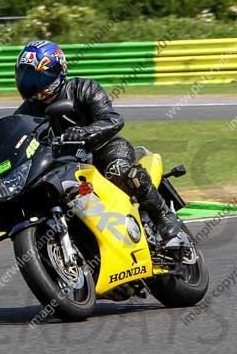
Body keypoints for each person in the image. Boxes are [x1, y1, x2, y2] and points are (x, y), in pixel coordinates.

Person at [14, 40, 182, 246]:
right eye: (26, 77)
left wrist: (84, 132)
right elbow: (17, 144)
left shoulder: (83, 88)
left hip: (103, 150)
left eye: (39, 77)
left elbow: (113, 119)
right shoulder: (24, 114)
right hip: (63, 167)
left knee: (119, 170)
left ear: (58, 70)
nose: (32, 84)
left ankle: (162, 215)